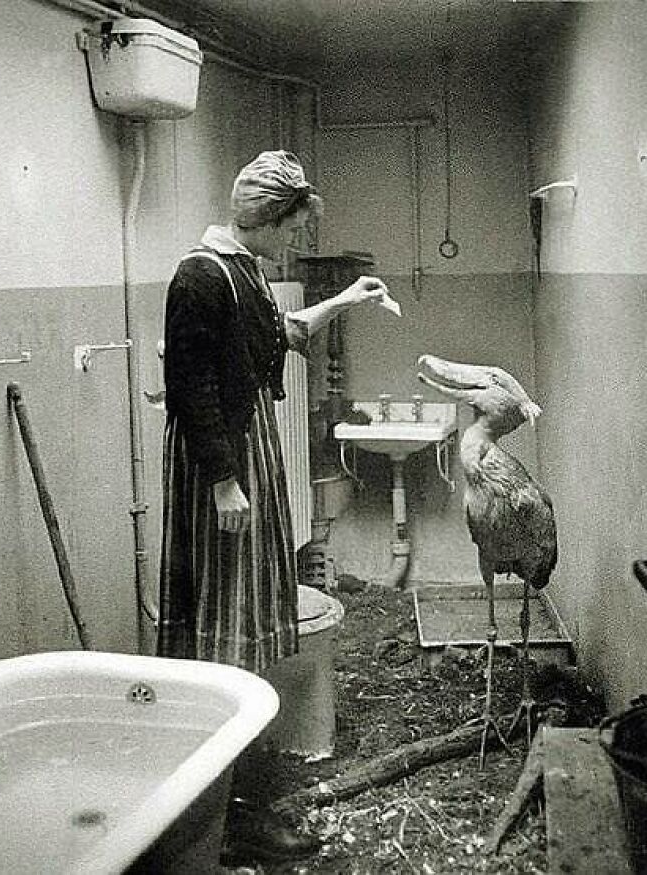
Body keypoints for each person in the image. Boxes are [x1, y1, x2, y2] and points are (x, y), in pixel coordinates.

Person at [158, 150, 398, 865]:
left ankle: (240, 796)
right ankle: (220, 813)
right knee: (224, 621)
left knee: (252, 613)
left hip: (247, 447)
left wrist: (347, 300)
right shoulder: (201, 276)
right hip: (222, 459)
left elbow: (284, 337)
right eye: (294, 226)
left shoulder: (245, 271)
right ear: (267, 216)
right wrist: (223, 480)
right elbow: (189, 385)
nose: (297, 241)